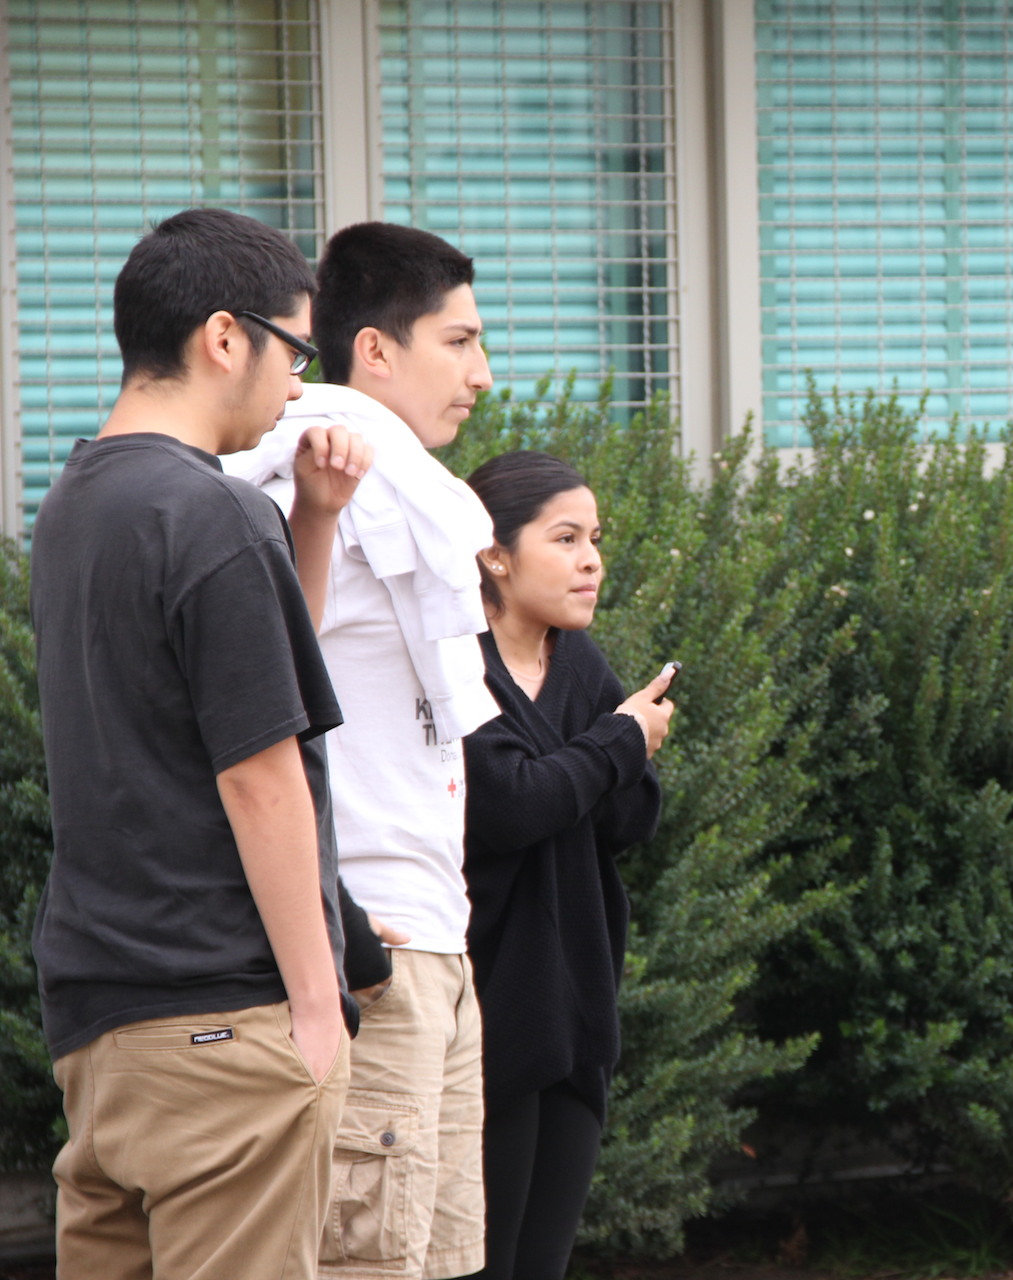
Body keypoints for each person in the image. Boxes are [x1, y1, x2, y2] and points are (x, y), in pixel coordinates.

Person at [30, 208, 371, 1278]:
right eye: (297, 351)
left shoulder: (75, 503)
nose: (299, 388)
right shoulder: (212, 512)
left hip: (105, 1025)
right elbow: (260, 771)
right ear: (226, 336)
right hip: (223, 1022)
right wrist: (317, 1012)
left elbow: (241, 682)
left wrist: (314, 518)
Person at [226, 221, 500, 1279]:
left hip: (437, 938)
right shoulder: (301, 467)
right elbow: (250, 708)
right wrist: (331, 912)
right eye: (459, 341)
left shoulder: (413, 489)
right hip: (366, 945)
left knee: (440, 1257)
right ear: (375, 350)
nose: (481, 373)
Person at [460, 451, 675, 1280]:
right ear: (495, 554)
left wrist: (616, 751)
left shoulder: (577, 661)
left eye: (595, 539)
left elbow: (631, 817)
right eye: (565, 538)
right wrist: (620, 741)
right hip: (485, 1022)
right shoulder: (457, 666)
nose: (592, 560)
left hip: (577, 1015)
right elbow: (510, 805)